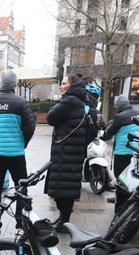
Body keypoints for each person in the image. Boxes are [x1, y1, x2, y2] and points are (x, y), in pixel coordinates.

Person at [0, 70, 36, 236]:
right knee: (21, 188)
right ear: (15, 84)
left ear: (0, 84)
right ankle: (20, 225)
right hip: (16, 153)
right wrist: (22, 143)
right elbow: (30, 127)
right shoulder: (21, 103)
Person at [45, 74, 89, 230]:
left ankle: (64, 222)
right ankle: (63, 219)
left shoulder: (70, 101)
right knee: (65, 188)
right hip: (70, 151)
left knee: (63, 188)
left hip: (66, 153)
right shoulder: (78, 102)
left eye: (64, 84)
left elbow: (50, 117)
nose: (61, 86)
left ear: (72, 85)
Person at [102, 95, 139, 208]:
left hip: (123, 151)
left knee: (121, 177)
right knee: (133, 176)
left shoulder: (119, 117)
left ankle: (121, 202)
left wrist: (103, 136)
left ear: (118, 107)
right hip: (138, 150)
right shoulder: (138, 113)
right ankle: (126, 199)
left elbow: (109, 132)